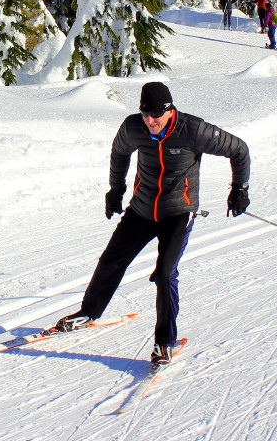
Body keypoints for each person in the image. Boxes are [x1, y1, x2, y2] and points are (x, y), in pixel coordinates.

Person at [55, 82, 251, 367]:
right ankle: (89, 312)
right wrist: (116, 190)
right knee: (111, 260)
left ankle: (164, 342)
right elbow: (120, 152)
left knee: (164, 274)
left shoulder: (193, 130)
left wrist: (239, 188)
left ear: (169, 110)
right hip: (143, 209)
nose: (150, 121)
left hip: (178, 213)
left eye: (155, 116)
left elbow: (239, 150)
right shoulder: (134, 127)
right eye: (145, 115)